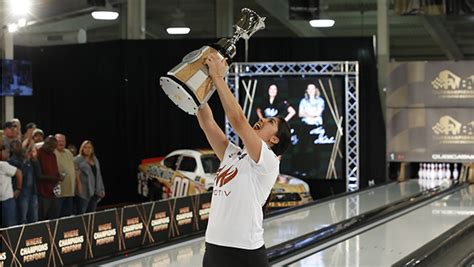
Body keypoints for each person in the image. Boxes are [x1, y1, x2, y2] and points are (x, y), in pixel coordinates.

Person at [199, 53, 291, 267]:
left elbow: (238, 120)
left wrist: (219, 78)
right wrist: (198, 88)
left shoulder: (268, 161)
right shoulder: (232, 154)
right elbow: (207, 123)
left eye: (269, 122)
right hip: (213, 247)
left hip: (244, 253)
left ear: (274, 139)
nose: (260, 120)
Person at [8, 140, 40, 224]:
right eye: (17, 146)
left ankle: (35, 236)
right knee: (23, 218)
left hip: (33, 191)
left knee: (34, 218)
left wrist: (35, 160)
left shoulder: (28, 159)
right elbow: (21, 174)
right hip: (22, 193)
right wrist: (26, 161)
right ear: (12, 149)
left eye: (20, 145)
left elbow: (38, 173)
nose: (20, 147)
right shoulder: (11, 161)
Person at [74, 140, 105, 214]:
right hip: (83, 191)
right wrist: (78, 187)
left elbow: (98, 175)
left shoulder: (95, 159)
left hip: (95, 191)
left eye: (89, 147)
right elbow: (76, 175)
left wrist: (101, 189)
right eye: (85, 147)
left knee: (92, 213)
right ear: (82, 148)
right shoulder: (77, 160)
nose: (87, 149)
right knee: (82, 213)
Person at [37, 136, 64, 220]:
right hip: (42, 191)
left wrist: (59, 176)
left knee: (54, 216)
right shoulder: (39, 153)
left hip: (53, 191)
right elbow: (38, 175)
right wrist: (54, 178)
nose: (52, 149)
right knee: (42, 216)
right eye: (51, 146)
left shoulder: (53, 155)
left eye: (54, 147)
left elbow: (55, 169)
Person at [55, 134, 81, 217]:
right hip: (58, 192)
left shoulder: (69, 153)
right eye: (58, 141)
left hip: (70, 191)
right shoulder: (53, 152)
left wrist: (78, 184)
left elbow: (74, 169)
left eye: (62, 141)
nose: (61, 143)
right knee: (57, 216)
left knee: (67, 217)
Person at [0, 138, 23, 227]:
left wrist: (19, 188)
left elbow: (18, 172)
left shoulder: (2, 165)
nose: (7, 153)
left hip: (7, 200)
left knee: (10, 226)